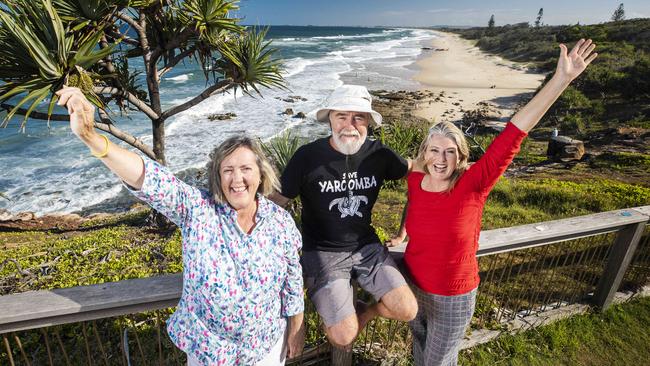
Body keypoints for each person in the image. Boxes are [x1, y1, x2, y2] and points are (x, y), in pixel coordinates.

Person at [56, 87, 305, 365]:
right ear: (217, 177)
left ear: (261, 174)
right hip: (209, 353)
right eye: (228, 170)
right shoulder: (197, 210)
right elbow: (150, 179)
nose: (237, 178)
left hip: (266, 348)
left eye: (246, 169)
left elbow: (292, 281)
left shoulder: (280, 222)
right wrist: (92, 137)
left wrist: (296, 329)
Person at [388, 39, 598, 365]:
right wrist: (402, 234)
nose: (441, 159)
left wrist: (562, 79)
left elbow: (515, 131)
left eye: (450, 151)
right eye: (434, 150)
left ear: (460, 157)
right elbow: (411, 203)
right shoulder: (416, 180)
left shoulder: (474, 183)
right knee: (420, 351)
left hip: (453, 297)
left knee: (437, 362)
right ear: (423, 155)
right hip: (414, 287)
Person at [271, 85, 418, 348]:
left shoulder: (379, 154)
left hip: (368, 248)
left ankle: (365, 311)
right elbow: (276, 204)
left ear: (369, 122)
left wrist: (404, 229)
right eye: (342, 116)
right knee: (343, 336)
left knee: (408, 309)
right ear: (330, 119)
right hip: (323, 254)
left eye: (358, 117)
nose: (350, 125)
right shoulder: (307, 157)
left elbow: (416, 173)